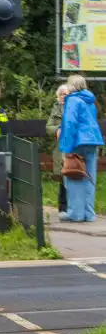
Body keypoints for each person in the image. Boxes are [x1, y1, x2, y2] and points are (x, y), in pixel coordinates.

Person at [59, 75, 103, 223]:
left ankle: (75, 214)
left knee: (74, 175)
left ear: (71, 85)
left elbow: (70, 124)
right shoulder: (90, 100)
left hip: (78, 142)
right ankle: (89, 214)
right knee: (89, 177)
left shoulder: (72, 100)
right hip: (92, 141)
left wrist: (67, 148)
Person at [47, 84, 70, 219]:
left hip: (71, 146)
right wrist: (58, 129)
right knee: (62, 176)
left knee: (72, 174)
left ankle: (73, 206)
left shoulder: (73, 106)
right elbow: (48, 127)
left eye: (65, 94)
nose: (63, 96)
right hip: (60, 147)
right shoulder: (55, 108)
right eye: (61, 94)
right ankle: (63, 207)